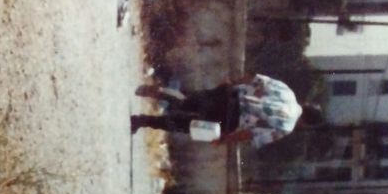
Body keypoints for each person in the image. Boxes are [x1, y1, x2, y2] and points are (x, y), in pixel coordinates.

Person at [131, 75, 322, 147]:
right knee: (187, 126)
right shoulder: (286, 126)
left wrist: (231, 83)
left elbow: (256, 79)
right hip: (231, 120)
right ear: (304, 123)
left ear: (305, 103)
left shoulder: (286, 90)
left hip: (230, 96)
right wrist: (225, 140)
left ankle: (163, 92)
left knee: (190, 100)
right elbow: (251, 133)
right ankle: (141, 120)